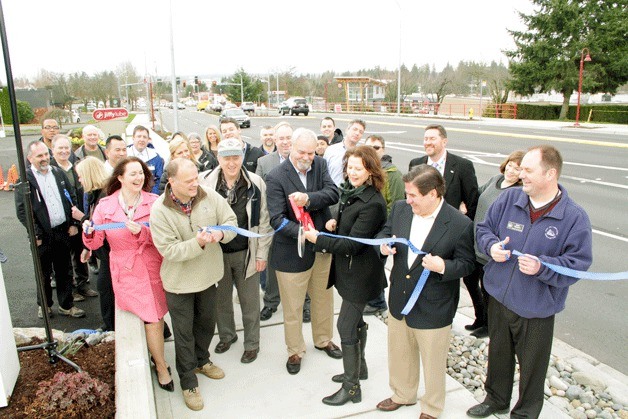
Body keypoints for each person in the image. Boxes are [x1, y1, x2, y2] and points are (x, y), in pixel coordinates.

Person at [468, 145, 593, 419]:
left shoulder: (574, 217)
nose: (520, 174)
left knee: (532, 366)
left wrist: (542, 267)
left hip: (537, 307)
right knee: (498, 353)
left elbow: (578, 264)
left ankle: (525, 413)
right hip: (499, 296)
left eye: (528, 170)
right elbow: (483, 228)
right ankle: (496, 399)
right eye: (521, 168)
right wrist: (491, 248)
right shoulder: (509, 198)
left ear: (550, 174)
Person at [375, 165, 475, 417]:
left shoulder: (460, 223)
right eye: (406, 195)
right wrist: (384, 245)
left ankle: (431, 407)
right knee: (399, 353)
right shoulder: (400, 209)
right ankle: (403, 393)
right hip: (400, 297)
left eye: (413, 196)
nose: (407, 200)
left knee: (433, 361)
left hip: (434, 305)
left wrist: (443, 266)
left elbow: (467, 264)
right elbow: (386, 232)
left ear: (433, 194)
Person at [150, 158, 237, 411]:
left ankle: (203, 360)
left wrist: (221, 234)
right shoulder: (159, 210)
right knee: (184, 334)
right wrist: (198, 242)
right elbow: (169, 250)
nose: (194, 184)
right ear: (172, 181)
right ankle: (188, 381)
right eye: (188, 181)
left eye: (196, 178)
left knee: (206, 325)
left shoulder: (209, 195)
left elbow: (231, 222)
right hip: (179, 284)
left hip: (208, 277)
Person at [303, 146, 387, 405]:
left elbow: (354, 244)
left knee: (345, 327)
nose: (352, 172)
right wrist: (335, 225)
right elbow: (349, 228)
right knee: (355, 323)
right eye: (349, 167)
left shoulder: (372, 202)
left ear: (370, 170)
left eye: (358, 168)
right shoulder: (352, 192)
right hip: (348, 272)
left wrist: (320, 239)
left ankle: (352, 389)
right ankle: (359, 369)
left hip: (360, 275)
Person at [82, 157, 172, 393]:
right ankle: (159, 364)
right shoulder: (104, 206)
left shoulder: (155, 202)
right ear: (120, 177)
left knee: (155, 317)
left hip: (152, 266)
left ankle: (159, 363)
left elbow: (166, 237)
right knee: (144, 318)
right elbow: (96, 241)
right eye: (132, 173)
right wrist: (89, 233)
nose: (138, 178)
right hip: (124, 269)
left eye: (141, 173)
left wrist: (143, 232)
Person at [265, 128, 341, 375]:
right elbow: (276, 219)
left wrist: (308, 199)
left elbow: (332, 194)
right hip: (291, 252)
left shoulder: (320, 164)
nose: (306, 157)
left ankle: (323, 339)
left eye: (310, 152)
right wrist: (302, 233)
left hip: (321, 247)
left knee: (323, 299)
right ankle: (295, 351)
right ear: (290, 148)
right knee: (293, 307)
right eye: (301, 152)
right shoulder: (276, 176)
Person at [199, 139, 272, 364]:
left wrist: (261, 254)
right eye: (226, 158)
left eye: (236, 157)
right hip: (216, 253)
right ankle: (227, 336)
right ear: (218, 158)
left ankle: (252, 344)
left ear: (242, 157)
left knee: (250, 301)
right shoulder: (206, 183)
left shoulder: (256, 182)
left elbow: (265, 220)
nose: (231, 163)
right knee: (221, 301)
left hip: (246, 252)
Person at [15, 141, 86, 319]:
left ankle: (66, 305)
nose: (45, 158)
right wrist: (36, 232)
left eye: (46, 154)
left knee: (64, 270)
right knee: (43, 273)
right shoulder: (25, 180)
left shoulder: (57, 173)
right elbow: (22, 211)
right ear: (30, 158)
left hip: (62, 231)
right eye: (40, 156)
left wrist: (72, 224)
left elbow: (71, 199)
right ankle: (45, 305)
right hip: (41, 236)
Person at [465, 150, 525, 339]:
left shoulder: (518, 193)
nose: (512, 171)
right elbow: (476, 195)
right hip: (474, 242)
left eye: (518, 168)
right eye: (510, 165)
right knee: (469, 280)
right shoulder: (495, 180)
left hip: (491, 249)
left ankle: (489, 325)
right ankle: (479, 317)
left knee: (487, 288)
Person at [256, 122, 311, 322]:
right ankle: (271, 302)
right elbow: (262, 194)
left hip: (300, 222)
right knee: (273, 267)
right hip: (275, 221)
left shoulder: (305, 160)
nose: (285, 142)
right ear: (275, 140)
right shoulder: (264, 162)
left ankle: (306, 304)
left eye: (289, 138)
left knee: (302, 264)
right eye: (281, 138)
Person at [50, 134, 98, 301]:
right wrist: (71, 223)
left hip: (81, 218)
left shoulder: (75, 166)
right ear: (52, 150)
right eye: (60, 148)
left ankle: (83, 284)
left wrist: (80, 221)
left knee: (81, 252)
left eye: (66, 148)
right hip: (64, 222)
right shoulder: (51, 170)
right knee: (65, 259)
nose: (64, 151)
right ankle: (72, 289)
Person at [362, 134, 405, 316]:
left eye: (377, 147)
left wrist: (382, 228)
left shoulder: (393, 175)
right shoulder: (366, 171)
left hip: (381, 230)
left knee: (376, 266)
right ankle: (371, 297)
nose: (373, 150)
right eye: (369, 147)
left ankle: (378, 302)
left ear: (383, 150)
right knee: (367, 266)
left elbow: (395, 204)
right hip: (366, 227)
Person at [75, 156, 115, 331]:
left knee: (105, 288)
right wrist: (87, 247)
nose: (79, 180)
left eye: (81, 176)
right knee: (106, 288)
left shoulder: (104, 196)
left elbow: (99, 224)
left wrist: (80, 217)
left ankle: (110, 327)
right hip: (105, 252)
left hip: (111, 253)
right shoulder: (97, 194)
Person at [408, 124, 478, 219]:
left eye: (432, 139)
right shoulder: (416, 164)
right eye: (426, 139)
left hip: (449, 226)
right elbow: (409, 197)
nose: (427, 142)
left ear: (444, 142)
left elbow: (473, 203)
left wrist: (463, 227)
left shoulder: (463, 166)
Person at [324, 119, 366, 186]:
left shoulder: (362, 154)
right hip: (332, 192)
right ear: (347, 130)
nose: (357, 133)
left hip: (351, 193)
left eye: (361, 132)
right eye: (355, 129)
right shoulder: (331, 150)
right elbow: (323, 173)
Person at [126, 125, 164, 194]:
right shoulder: (126, 155)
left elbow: (159, 179)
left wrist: (151, 195)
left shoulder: (155, 156)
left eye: (144, 137)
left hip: (151, 195)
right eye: (139, 136)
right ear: (133, 138)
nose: (142, 139)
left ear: (148, 139)